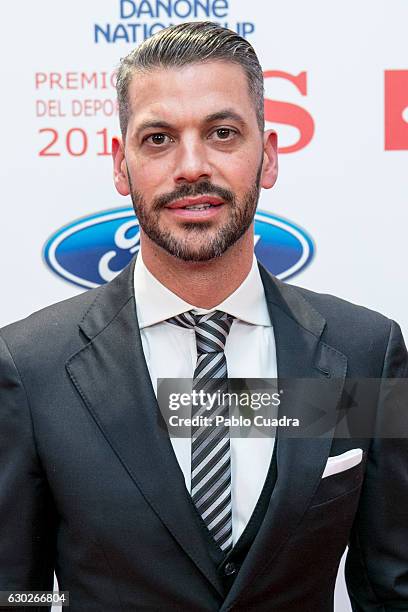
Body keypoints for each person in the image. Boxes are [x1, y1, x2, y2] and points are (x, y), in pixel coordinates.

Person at [0, 21, 407, 612]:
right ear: (121, 166)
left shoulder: (366, 353)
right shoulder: (31, 369)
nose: (191, 166)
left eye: (222, 132)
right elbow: (16, 593)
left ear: (267, 156)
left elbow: (392, 588)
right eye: (159, 138)